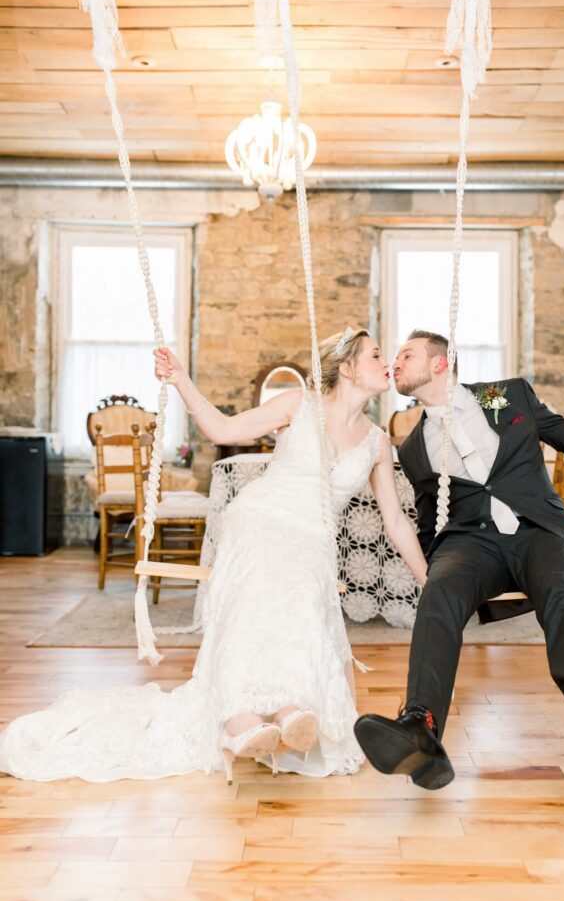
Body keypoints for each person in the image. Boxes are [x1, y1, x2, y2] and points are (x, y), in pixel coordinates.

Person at [0, 329, 427, 783]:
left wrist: (428, 578)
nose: (387, 363)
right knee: (266, 583)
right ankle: (239, 716)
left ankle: (289, 707)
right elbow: (223, 428)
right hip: (260, 518)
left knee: (301, 593)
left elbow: (397, 522)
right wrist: (182, 379)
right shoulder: (297, 405)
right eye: (377, 355)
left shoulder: (378, 442)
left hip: (312, 537)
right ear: (346, 367)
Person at [355, 329, 564, 801]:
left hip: (539, 531)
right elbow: (431, 522)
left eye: (405, 354)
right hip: (472, 544)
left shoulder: (506, 395)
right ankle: (421, 727)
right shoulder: (410, 448)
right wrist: (442, 566)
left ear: (439, 363)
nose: (395, 362)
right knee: (439, 592)